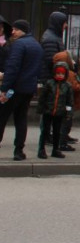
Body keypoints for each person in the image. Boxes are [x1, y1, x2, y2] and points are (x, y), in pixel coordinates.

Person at [0, 20, 43, 160]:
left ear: (21, 31)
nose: (12, 32)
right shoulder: (36, 45)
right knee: (21, 119)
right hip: (28, 89)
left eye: (15, 29)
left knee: (2, 117)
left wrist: (4, 88)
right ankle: (19, 151)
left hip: (15, 88)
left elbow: (12, 68)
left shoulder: (18, 45)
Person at [36, 59, 73, 159]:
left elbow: (69, 101)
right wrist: (41, 109)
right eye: (58, 73)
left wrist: (68, 113)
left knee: (57, 131)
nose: (60, 75)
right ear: (54, 73)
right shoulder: (49, 83)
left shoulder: (67, 86)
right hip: (48, 111)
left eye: (62, 73)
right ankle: (41, 149)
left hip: (59, 112)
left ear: (65, 74)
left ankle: (56, 149)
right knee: (45, 131)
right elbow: (42, 98)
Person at [39, 11, 68, 77]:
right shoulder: (50, 39)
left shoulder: (55, 36)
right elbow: (51, 62)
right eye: (65, 23)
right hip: (49, 78)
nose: (66, 25)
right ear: (59, 23)